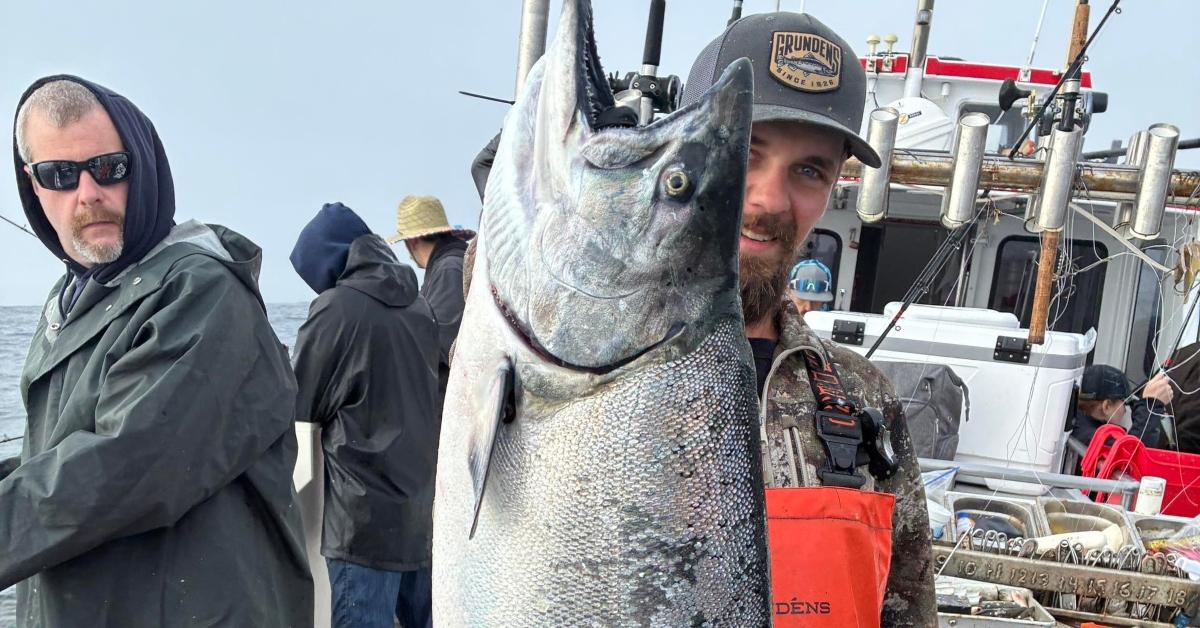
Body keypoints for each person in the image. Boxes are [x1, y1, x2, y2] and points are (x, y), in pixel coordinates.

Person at [2, 75, 311, 627]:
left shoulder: (201, 290)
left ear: (141, 164)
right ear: (33, 186)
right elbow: (54, 453)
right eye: (60, 175)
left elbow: (127, 464)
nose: (88, 193)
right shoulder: (73, 299)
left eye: (109, 168)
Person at [680, 13, 936, 626]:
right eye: (744, 150)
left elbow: (908, 607)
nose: (768, 199)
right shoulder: (585, 353)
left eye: (809, 170)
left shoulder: (859, 394)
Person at [290, 203, 440, 628]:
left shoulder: (338, 308)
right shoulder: (419, 305)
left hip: (362, 525)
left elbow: (300, 400)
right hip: (419, 516)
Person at [387, 195, 475, 400]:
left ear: (413, 240)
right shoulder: (452, 264)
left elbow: (440, 344)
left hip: (453, 398)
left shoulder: (448, 270)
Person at [1071, 364, 1173, 448]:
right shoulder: (1091, 438)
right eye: (1125, 403)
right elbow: (1130, 455)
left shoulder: (1077, 423)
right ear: (1107, 406)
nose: (1125, 410)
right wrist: (1151, 405)